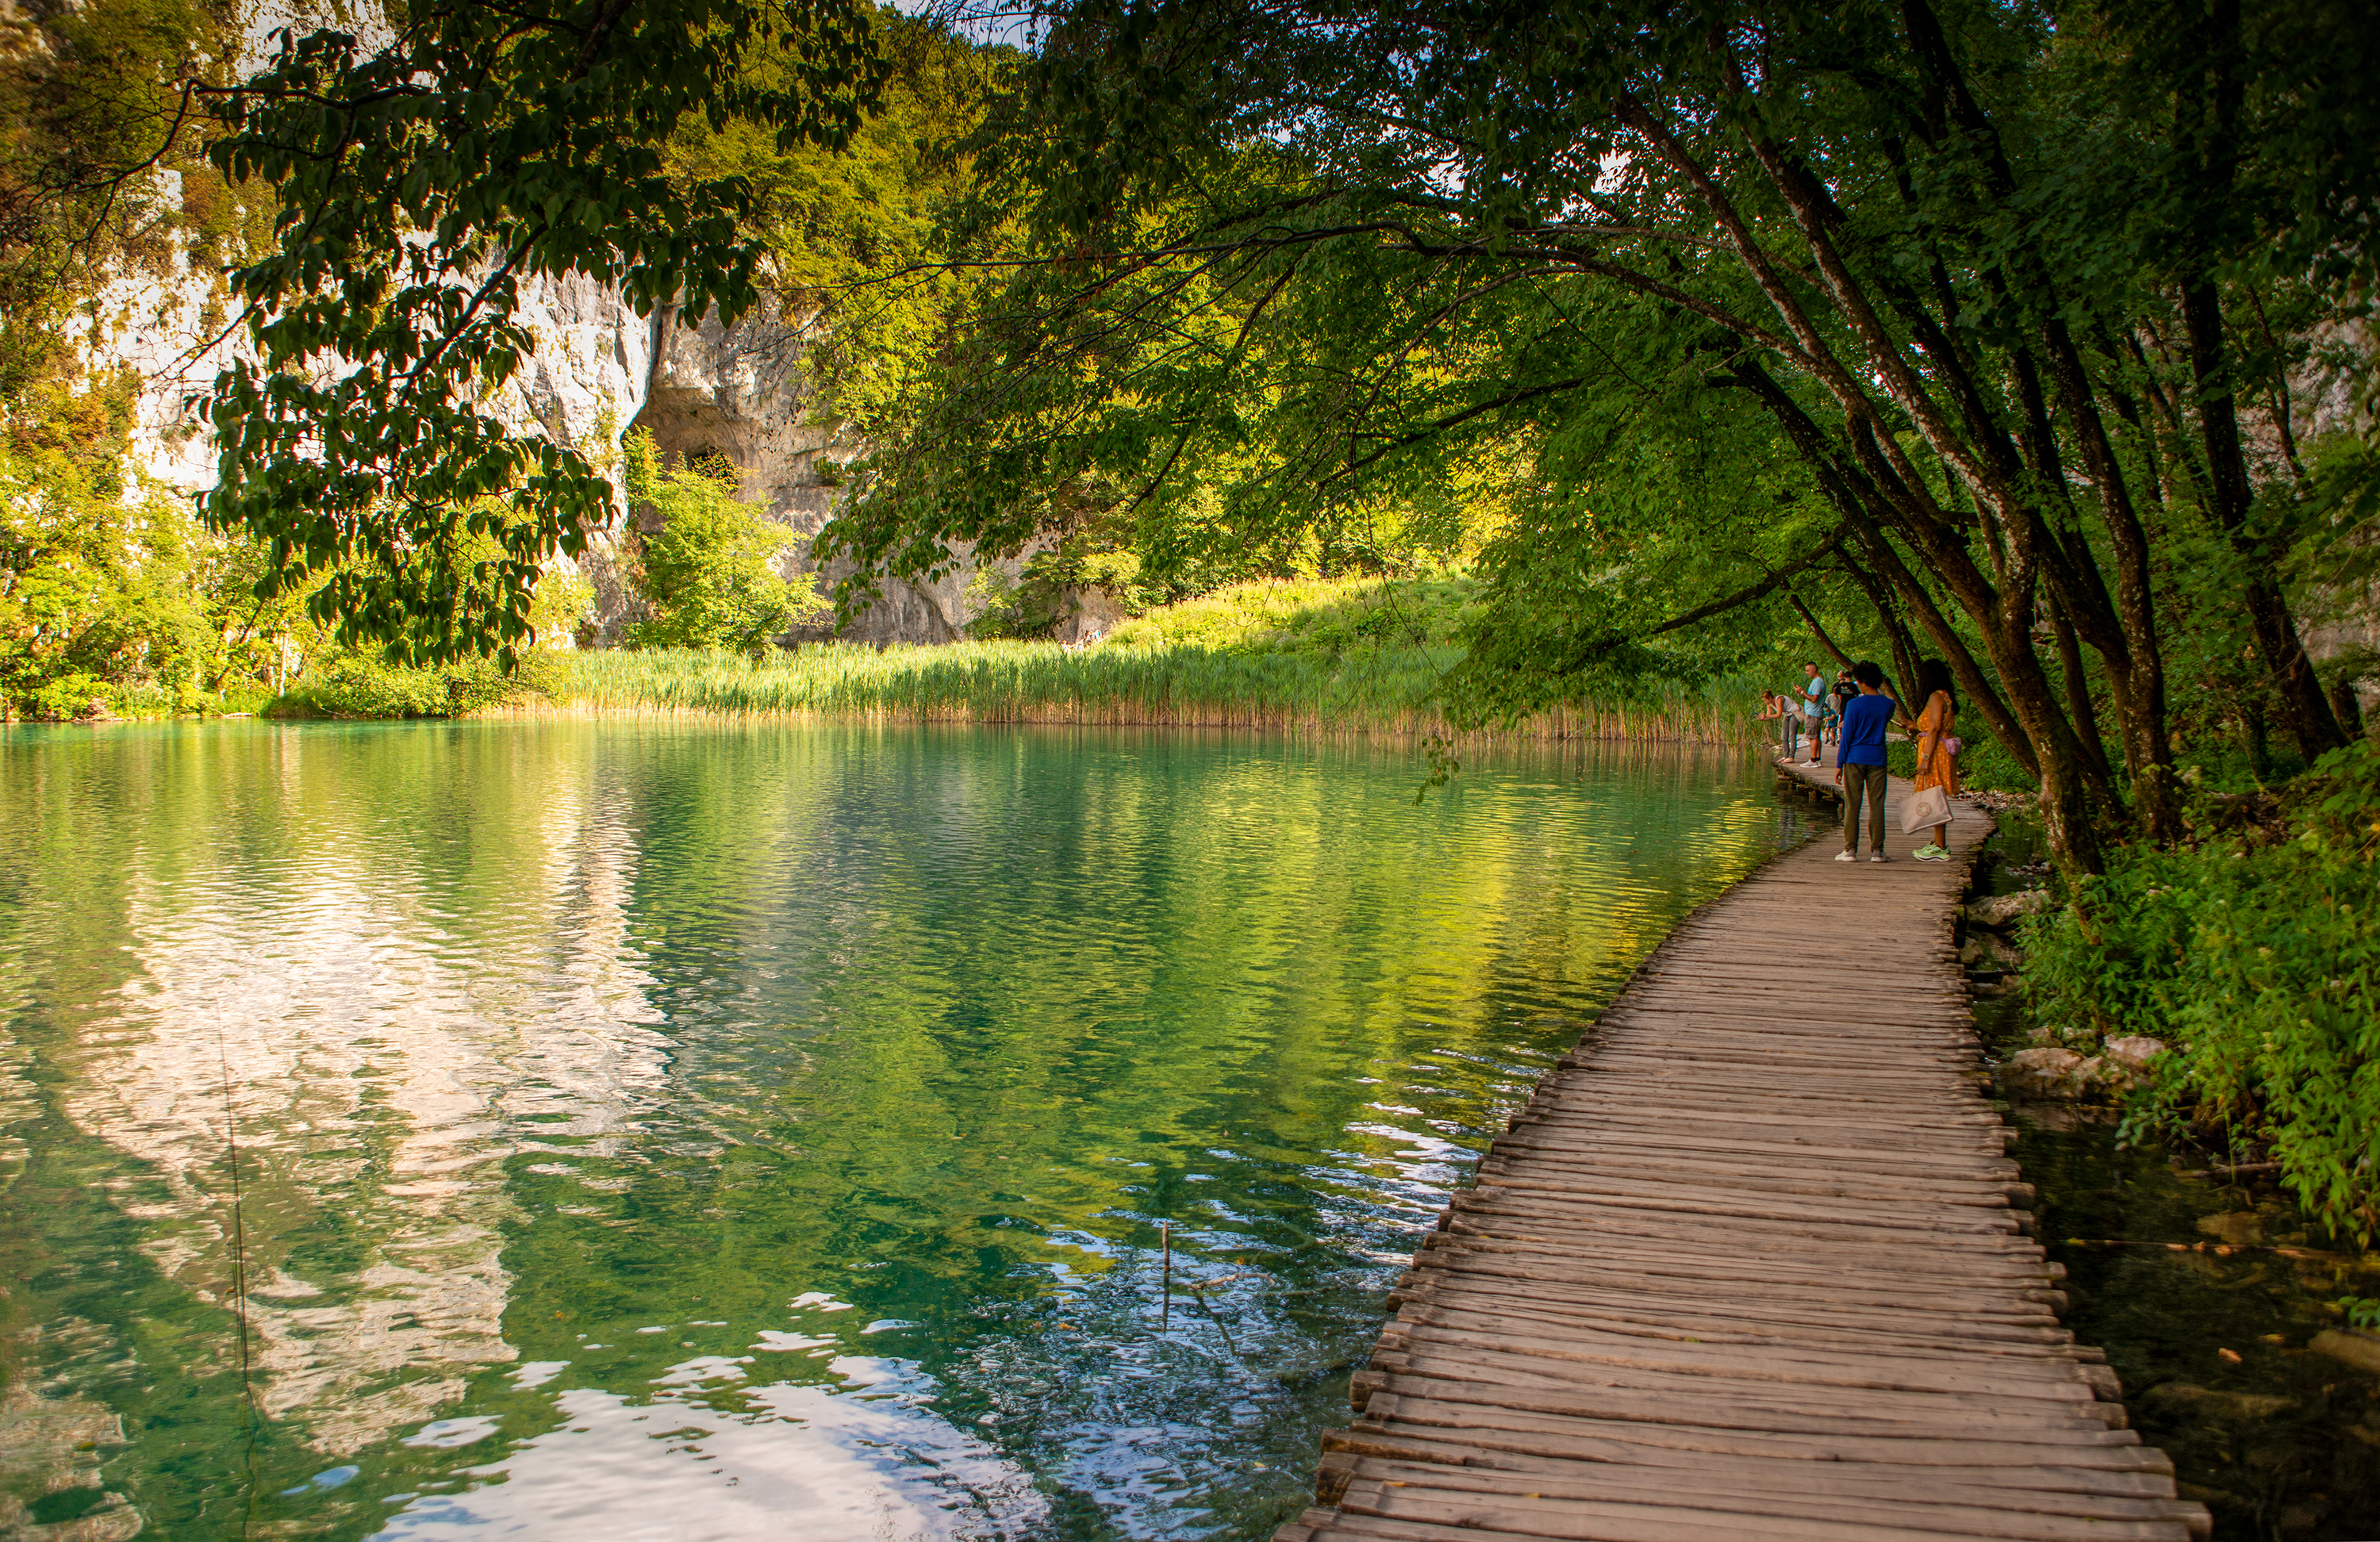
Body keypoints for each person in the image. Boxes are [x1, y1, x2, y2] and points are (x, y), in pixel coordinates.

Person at [1833, 660, 1894, 863]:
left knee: (1852, 804)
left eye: (1858, 680)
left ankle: (1850, 850)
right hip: (1877, 757)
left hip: (1855, 758)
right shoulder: (1889, 704)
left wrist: (1839, 764)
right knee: (1877, 804)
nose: (1856, 683)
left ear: (1864, 681)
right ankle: (1877, 851)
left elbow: (1847, 735)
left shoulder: (1854, 704)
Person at [1899, 658, 1960, 861]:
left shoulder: (1936, 697)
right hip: (1942, 749)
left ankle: (1940, 846)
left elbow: (1934, 728)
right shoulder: (1947, 696)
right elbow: (1934, 725)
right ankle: (1938, 842)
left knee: (1934, 795)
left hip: (1935, 753)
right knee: (1936, 795)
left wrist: (1925, 758)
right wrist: (1915, 725)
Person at [1798, 662, 1828, 765]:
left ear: (1814, 669)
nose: (1806, 673)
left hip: (1813, 713)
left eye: (1808, 670)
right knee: (1816, 736)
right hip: (1815, 713)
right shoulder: (1816, 682)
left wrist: (1803, 692)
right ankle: (1818, 759)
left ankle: (1813, 760)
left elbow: (1814, 699)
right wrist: (1801, 693)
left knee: (1812, 737)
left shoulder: (1818, 682)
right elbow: (1810, 697)